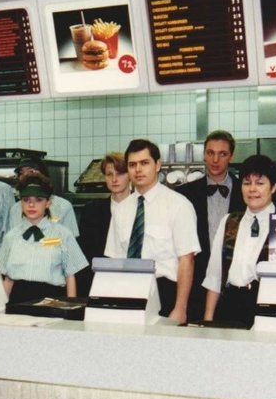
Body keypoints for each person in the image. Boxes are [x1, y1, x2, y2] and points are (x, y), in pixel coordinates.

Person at [106, 139, 200, 324]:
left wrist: (180, 308)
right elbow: (114, 260)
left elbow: (186, 260)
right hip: (128, 291)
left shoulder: (179, 205)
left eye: (144, 163)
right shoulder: (121, 210)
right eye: (132, 165)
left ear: (157, 165)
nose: (138, 170)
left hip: (165, 293)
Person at [203, 155, 276, 327]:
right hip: (229, 305)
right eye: (247, 183)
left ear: (274, 187)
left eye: (260, 183)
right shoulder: (229, 221)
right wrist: (208, 319)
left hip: (265, 306)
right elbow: (214, 275)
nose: (252, 189)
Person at [176, 130, 245, 323]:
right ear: (204, 154)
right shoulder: (184, 195)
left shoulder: (247, 192)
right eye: (210, 153)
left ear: (232, 156)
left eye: (222, 154)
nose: (215, 159)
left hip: (236, 284)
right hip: (195, 284)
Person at [0, 173, 88, 304]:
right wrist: (0, 309)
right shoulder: (11, 237)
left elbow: (70, 276)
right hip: (17, 300)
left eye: (38, 199)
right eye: (26, 199)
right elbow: (8, 280)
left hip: (51, 300)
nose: (31, 205)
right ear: (20, 202)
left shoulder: (63, 234)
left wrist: (71, 308)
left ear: (48, 203)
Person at [77, 152, 131, 294]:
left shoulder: (142, 209)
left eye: (120, 174)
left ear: (130, 175)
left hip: (134, 279)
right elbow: (86, 254)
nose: (114, 179)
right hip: (100, 281)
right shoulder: (92, 211)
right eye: (109, 174)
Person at [4, 157, 79, 236]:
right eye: (21, 173)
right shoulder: (15, 209)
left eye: (31, 171)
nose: (25, 176)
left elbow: (70, 240)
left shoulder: (63, 206)